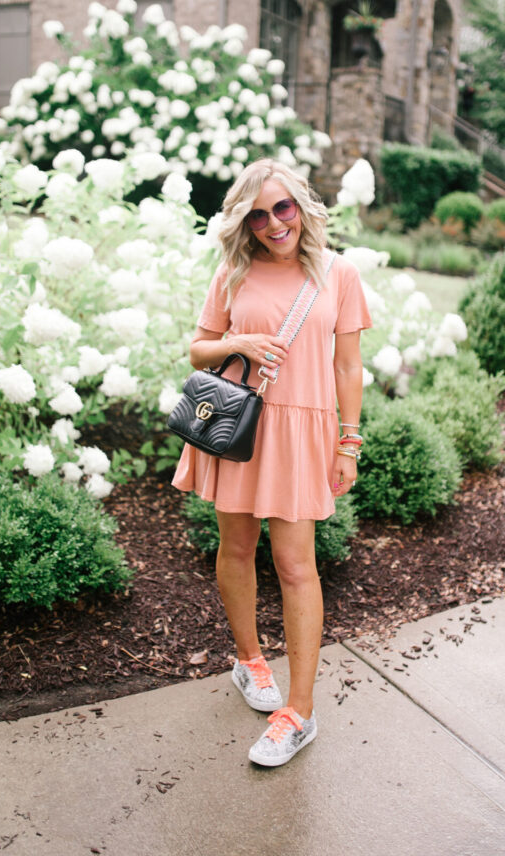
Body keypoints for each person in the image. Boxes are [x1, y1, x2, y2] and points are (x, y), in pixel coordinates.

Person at [172, 158, 371, 767]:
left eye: (282, 208)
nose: (272, 223)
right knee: (234, 550)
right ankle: (251, 662)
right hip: (243, 429)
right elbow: (199, 348)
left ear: (303, 208)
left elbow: (347, 367)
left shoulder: (339, 275)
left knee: (295, 566)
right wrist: (238, 342)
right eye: (257, 214)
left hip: (302, 434)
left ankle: (300, 713)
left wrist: (349, 442)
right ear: (245, 221)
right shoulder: (233, 272)